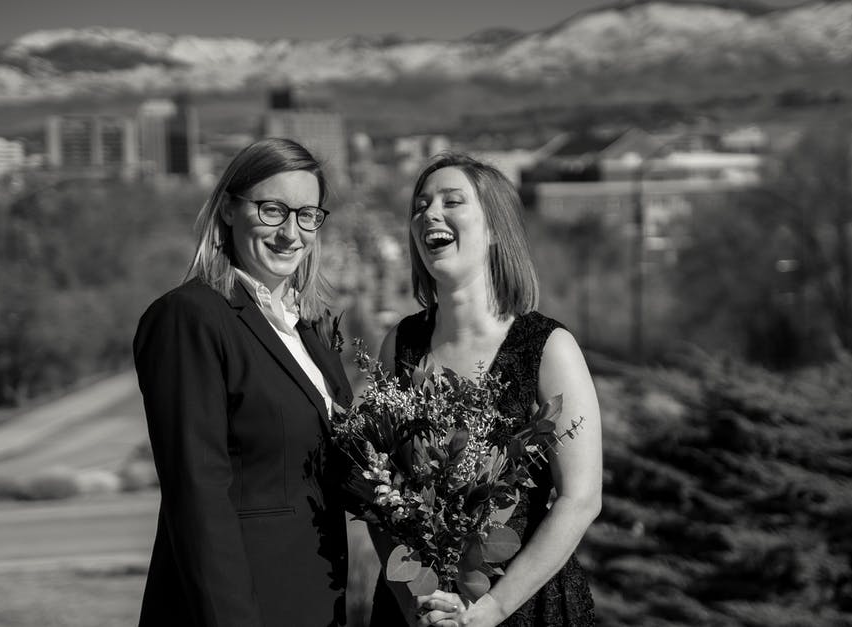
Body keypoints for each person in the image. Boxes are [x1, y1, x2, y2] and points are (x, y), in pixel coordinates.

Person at [369, 153, 603, 627]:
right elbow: (378, 492)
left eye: (452, 202)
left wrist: (488, 610)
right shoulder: (401, 344)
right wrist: (416, 602)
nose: (429, 214)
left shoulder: (547, 347)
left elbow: (580, 499)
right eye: (420, 206)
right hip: (417, 610)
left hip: (522, 605)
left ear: (494, 229)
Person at [133, 138, 352, 627]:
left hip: (316, 603)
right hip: (241, 608)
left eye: (307, 215)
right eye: (272, 210)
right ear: (230, 210)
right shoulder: (190, 318)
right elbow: (198, 498)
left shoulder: (309, 329)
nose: (290, 233)